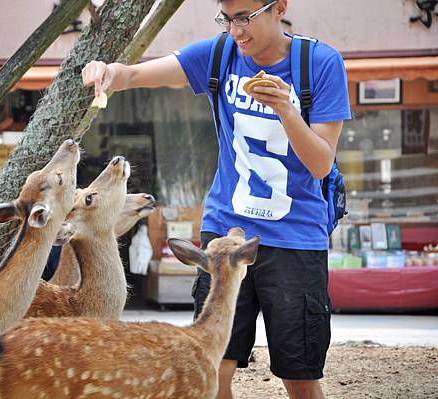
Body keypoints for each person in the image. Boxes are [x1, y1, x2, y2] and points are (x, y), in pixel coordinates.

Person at [82, 1, 351, 398]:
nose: (236, 30)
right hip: (226, 231)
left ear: (278, 8)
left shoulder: (320, 63)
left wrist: (285, 109)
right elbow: (136, 73)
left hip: (295, 237)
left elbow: (320, 165)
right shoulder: (220, 53)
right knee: (214, 363)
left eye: (245, 17)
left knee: (299, 373)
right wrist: (107, 72)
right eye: (227, 18)